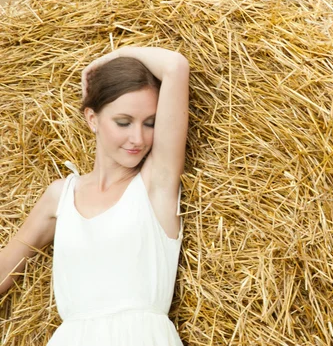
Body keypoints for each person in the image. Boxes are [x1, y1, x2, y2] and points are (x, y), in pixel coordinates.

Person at [0, 46, 190, 345]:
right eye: (123, 122)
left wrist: (108, 58)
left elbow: (175, 66)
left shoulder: (156, 185)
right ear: (92, 119)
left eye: (150, 123)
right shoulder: (59, 197)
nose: (138, 138)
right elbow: (3, 272)